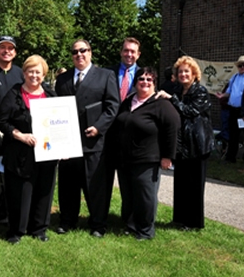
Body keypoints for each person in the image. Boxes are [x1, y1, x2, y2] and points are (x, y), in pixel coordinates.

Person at [55, 39, 120, 238]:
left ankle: (98, 224)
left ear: (90, 52)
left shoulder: (105, 75)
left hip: (94, 140)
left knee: (96, 184)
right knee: (68, 184)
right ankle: (67, 220)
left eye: (83, 51)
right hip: (68, 141)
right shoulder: (63, 79)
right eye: (75, 52)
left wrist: (99, 127)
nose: (79, 55)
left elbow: (112, 105)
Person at [110, 67, 180, 240]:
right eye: (141, 79)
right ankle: (131, 224)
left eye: (149, 80)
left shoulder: (161, 104)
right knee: (129, 195)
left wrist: (167, 156)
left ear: (154, 84)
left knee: (145, 196)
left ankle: (146, 229)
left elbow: (172, 129)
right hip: (125, 158)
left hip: (148, 159)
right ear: (136, 82)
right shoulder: (128, 101)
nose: (145, 82)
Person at [0, 55, 58, 244]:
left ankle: (39, 228)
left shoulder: (50, 95)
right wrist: (19, 135)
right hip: (19, 153)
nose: (34, 75)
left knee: (44, 190)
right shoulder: (13, 94)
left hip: (46, 153)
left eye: (37, 72)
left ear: (44, 74)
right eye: (30, 71)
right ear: (24, 73)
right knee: (19, 192)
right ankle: (16, 230)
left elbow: (59, 124)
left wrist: (63, 146)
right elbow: (2, 121)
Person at [155, 55, 212, 229]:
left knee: (194, 185)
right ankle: (179, 219)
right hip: (181, 144)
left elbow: (189, 111)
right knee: (180, 183)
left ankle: (194, 223)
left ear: (194, 74)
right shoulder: (179, 91)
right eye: (180, 72)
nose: (183, 75)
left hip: (197, 144)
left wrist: (171, 99)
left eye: (187, 71)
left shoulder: (200, 91)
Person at [0, 35, 24, 226]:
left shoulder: (20, 73)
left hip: (11, 132)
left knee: (7, 175)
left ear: (15, 52)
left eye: (10, 48)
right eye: (2, 48)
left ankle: (3, 213)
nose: (6, 51)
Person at [104, 37, 141, 220]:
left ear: (138, 54)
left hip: (132, 136)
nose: (129, 54)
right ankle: (101, 216)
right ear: (121, 52)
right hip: (108, 133)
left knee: (131, 180)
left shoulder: (145, 75)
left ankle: (130, 218)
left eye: (133, 51)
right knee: (104, 179)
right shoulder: (107, 73)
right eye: (126, 50)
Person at [216, 55, 244, 163]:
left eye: (243, 65)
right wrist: (223, 96)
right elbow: (229, 92)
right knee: (233, 134)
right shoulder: (234, 77)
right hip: (233, 109)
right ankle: (231, 157)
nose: (241, 67)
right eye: (239, 65)